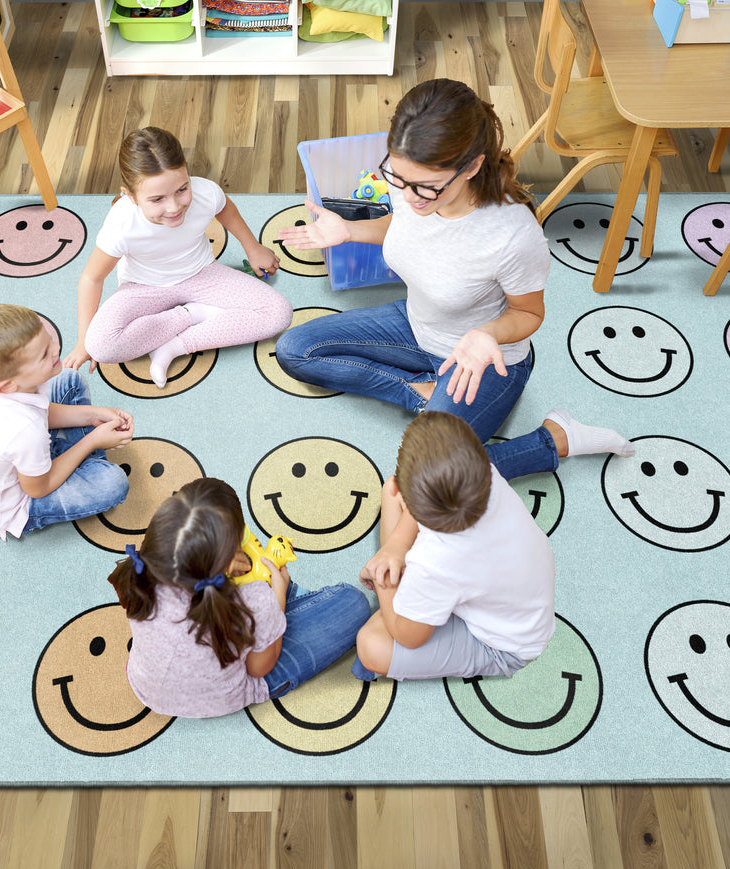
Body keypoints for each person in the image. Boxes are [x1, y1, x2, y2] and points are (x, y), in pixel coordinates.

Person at [275, 78, 634, 480]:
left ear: (473, 166)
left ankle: (555, 438)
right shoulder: (411, 179)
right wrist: (350, 231)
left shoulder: (512, 234)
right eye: (398, 177)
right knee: (295, 350)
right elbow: (406, 226)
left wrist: (488, 335)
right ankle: (422, 392)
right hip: (416, 325)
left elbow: (529, 314)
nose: (409, 196)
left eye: (426, 188)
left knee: (430, 477)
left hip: (483, 360)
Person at [109, 477, 371, 718]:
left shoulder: (141, 574)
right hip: (232, 690)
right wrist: (276, 597)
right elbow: (259, 668)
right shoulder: (256, 600)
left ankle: (286, 607)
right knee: (353, 602)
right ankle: (288, 601)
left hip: (146, 687)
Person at [63, 126, 294, 388]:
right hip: (143, 287)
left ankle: (175, 345)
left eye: (182, 190)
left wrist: (253, 248)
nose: (174, 207)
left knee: (279, 313)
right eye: (157, 199)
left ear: (188, 174)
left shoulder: (205, 192)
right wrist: (83, 340)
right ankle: (190, 315)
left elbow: (226, 209)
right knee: (101, 346)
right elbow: (92, 278)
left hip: (202, 274)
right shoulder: (121, 224)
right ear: (130, 196)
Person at [352, 411, 555, 682]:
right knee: (394, 490)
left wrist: (382, 580)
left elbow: (408, 637)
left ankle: (404, 590)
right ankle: (415, 596)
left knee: (371, 645)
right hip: (515, 601)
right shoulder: (483, 474)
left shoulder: (436, 562)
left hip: (505, 645)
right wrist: (397, 547)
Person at [0, 303, 133, 540]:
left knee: (69, 379)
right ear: (8, 385)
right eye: (44, 354)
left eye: (49, 339)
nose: (56, 350)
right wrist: (93, 441)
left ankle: (73, 458)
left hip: (26, 454)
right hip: (22, 503)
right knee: (112, 484)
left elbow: (40, 412)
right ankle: (83, 459)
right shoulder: (22, 430)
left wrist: (92, 414)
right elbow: (39, 488)